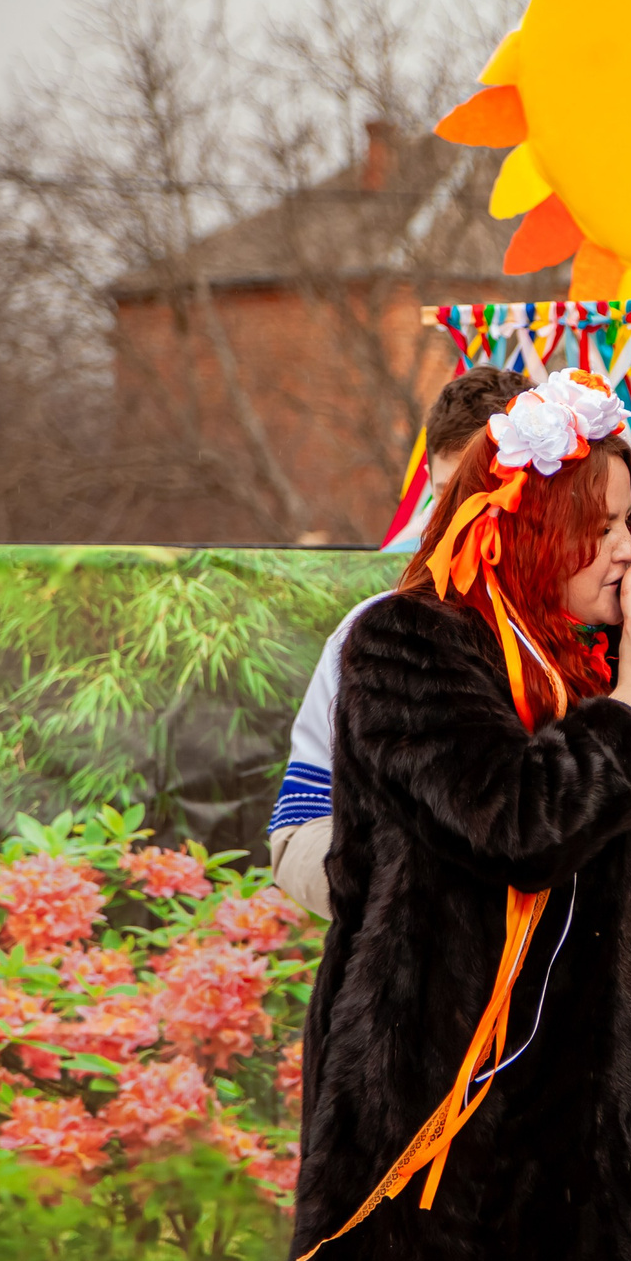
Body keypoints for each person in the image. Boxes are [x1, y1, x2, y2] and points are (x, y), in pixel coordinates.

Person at [266, 371, 631, 1261]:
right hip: (452, 1200)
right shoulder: (411, 647)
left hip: (580, 1182)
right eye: (595, 525)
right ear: (523, 526)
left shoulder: (611, 675)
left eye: (630, 523)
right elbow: (515, 820)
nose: (625, 551)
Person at [268, 364, 533, 919]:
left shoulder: (614, 636)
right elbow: (299, 827)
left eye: (484, 497)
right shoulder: (373, 634)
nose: (459, 523)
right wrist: (410, 898)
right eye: (445, 498)